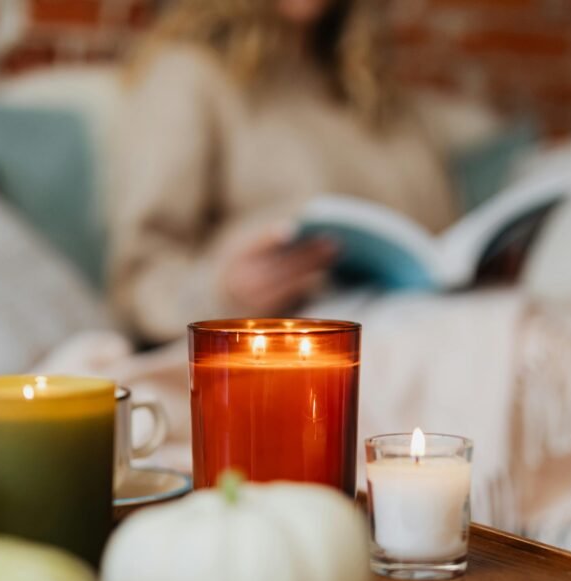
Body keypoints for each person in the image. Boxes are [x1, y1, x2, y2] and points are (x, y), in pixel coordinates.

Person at [109, 0, 496, 344]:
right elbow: (136, 283)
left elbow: (442, 232)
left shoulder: (375, 91)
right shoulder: (190, 74)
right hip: (284, 344)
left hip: (418, 322)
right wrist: (225, 292)